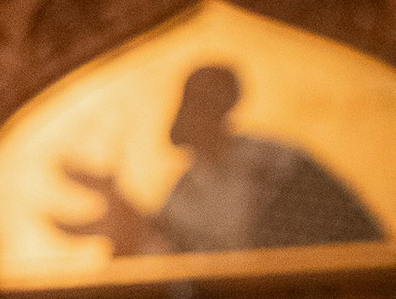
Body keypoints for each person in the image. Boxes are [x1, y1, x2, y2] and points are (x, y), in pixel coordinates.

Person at [53, 61, 384, 258]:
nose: (200, 114)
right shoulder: (187, 188)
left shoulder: (278, 164)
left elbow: (346, 232)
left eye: (208, 102)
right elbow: (176, 252)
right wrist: (130, 222)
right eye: (196, 103)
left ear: (225, 106)